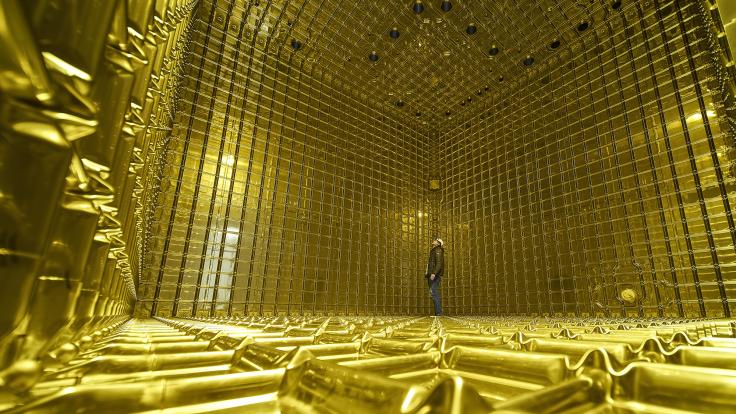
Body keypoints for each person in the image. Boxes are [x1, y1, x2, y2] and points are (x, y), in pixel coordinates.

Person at [425, 238, 444, 316]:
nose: (434, 240)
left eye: (436, 240)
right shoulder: (434, 250)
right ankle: (438, 312)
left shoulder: (438, 250)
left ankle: (438, 313)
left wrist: (434, 273)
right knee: (433, 293)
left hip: (435, 275)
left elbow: (439, 263)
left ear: (438, 243)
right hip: (432, 274)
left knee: (434, 293)